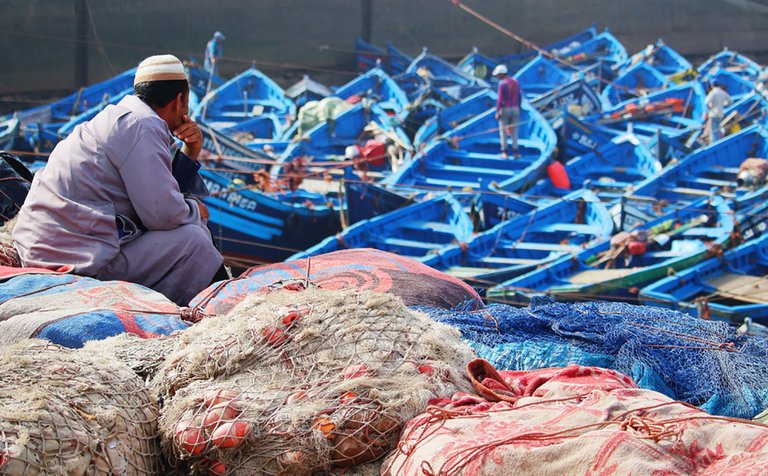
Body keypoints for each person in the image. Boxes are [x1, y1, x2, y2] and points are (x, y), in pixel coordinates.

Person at [12, 54, 225, 306]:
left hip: (49, 246)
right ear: (180, 100)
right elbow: (162, 215)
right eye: (187, 103)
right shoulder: (142, 124)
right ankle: (221, 309)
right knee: (195, 239)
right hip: (74, 255)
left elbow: (161, 192)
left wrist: (190, 152)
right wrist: (195, 209)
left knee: (192, 229)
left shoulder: (121, 116)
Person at [492, 64, 522, 158]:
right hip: (516, 108)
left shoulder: (502, 84)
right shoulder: (516, 81)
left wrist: (498, 111)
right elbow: (520, 96)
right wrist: (518, 107)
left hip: (505, 109)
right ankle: (516, 153)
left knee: (503, 131)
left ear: (501, 74)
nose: (497, 77)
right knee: (515, 131)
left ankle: (504, 152)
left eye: (498, 75)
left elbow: (500, 99)